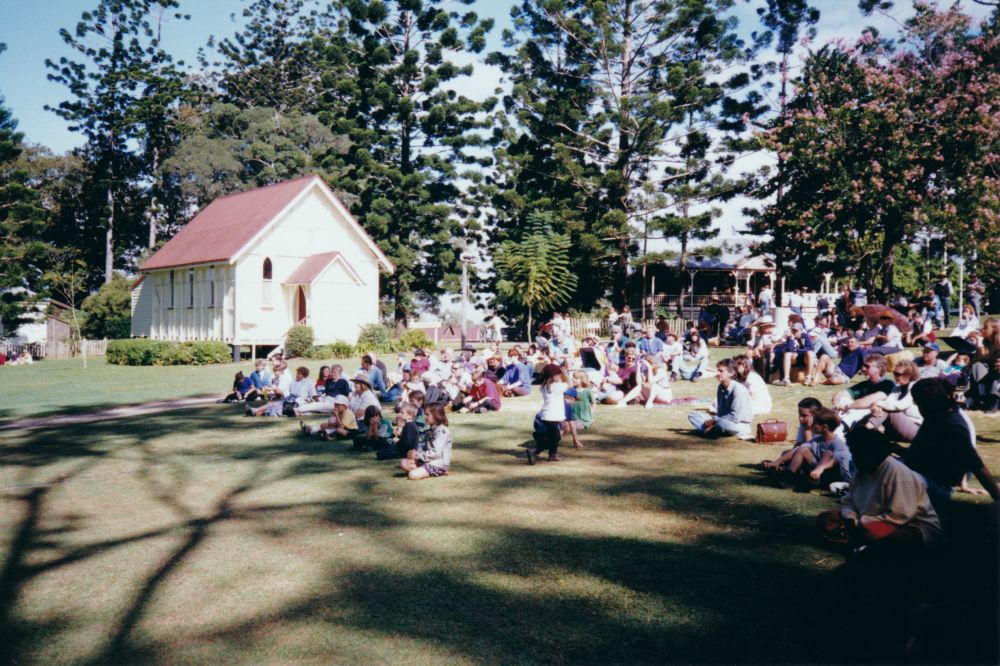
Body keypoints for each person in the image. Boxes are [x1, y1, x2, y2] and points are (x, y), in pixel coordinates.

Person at [818, 428, 942, 553]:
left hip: (910, 527)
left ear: (875, 453)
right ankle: (859, 543)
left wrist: (858, 523)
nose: (856, 457)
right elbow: (850, 501)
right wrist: (850, 517)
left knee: (872, 536)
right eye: (854, 452)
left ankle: (861, 543)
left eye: (861, 453)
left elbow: (899, 517)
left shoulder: (898, 474)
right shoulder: (861, 470)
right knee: (826, 518)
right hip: (866, 521)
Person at [905, 378, 1000, 508]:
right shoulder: (938, 416)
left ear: (927, 404)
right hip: (919, 474)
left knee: (888, 472)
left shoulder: (952, 426)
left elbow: (977, 466)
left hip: (934, 485)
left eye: (918, 403)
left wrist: (997, 497)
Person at [761, 409, 852, 489]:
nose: (812, 425)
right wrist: (778, 461)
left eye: (815, 423)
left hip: (831, 476)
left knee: (828, 453)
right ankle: (788, 476)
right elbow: (799, 449)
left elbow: (837, 460)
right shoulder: (817, 440)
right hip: (815, 472)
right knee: (802, 449)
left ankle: (796, 478)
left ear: (824, 427)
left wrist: (820, 468)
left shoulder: (838, 443)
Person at [687, 358, 753, 438]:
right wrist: (714, 420)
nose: (717, 373)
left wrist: (715, 420)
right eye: (718, 371)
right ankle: (713, 431)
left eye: (721, 371)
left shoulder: (738, 389)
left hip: (739, 424)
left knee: (722, 423)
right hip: (722, 420)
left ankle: (711, 431)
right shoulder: (720, 387)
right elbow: (720, 412)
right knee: (693, 415)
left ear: (731, 373)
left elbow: (735, 416)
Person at [864, 359, 923, 442]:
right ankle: (868, 427)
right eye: (894, 373)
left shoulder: (916, 387)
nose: (895, 376)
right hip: (899, 427)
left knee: (890, 410)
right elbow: (888, 402)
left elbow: (899, 406)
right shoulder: (898, 387)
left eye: (898, 374)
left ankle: (867, 428)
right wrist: (876, 406)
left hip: (917, 429)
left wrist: (876, 403)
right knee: (883, 408)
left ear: (909, 375)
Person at [832, 354, 893, 428]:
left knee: (862, 408)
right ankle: (831, 422)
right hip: (861, 416)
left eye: (867, 366)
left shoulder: (888, 384)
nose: (863, 369)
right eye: (863, 366)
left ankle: (840, 428)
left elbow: (869, 401)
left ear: (878, 368)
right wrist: (836, 406)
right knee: (843, 399)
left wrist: (847, 407)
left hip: (880, 420)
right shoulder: (865, 384)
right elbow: (840, 394)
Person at [527, 364, 569, 464]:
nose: (560, 375)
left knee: (554, 437)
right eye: (558, 374)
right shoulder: (556, 387)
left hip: (547, 415)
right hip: (551, 416)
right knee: (556, 437)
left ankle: (552, 454)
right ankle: (536, 451)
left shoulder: (545, 386)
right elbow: (570, 384)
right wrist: (566, 374)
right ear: (552, 376)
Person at [400, 403, 452, 480]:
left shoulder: (442, 431)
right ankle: (423, 470)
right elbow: (425, 447)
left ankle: (440, 471)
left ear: (436, 415)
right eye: (424, 414)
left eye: (427, 414)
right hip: (428, 460)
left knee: (412, 475)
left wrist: (417, 455)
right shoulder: (431, 430)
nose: (424, 417)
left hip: (438, 463)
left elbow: (435, 453)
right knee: (403, 463)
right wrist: (414, 452)